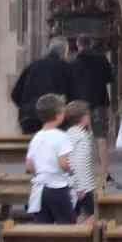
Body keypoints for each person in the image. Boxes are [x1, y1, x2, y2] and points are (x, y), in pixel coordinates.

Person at [70, 35, 114, 181]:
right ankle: (105, 173)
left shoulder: (74, 62)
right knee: (101, 138)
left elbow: (71, 84)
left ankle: (81, 172)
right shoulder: (101, 59)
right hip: (99, 102)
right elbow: (110, 78)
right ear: (90, 44)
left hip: (81, 105)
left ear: (78, 45)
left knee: (80, 138)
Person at [25, 94, 74, 223]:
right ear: (58, 115)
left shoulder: (36, 137)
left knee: (43, 228)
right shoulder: (62, 136)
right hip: (58, 188)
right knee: (67, 226)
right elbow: (63, 164)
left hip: (39, 190)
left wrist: (42, 170)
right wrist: (72, 170)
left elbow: (29, 166)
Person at [11, 38, 73, 134]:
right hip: (54, 119)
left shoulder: (32, 66)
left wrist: (27, 107)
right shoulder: (66, 68)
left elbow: (15, 94)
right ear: (65, 52)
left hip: (29, 118)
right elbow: (73, 97)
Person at [63, 100, 97, 220]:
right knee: (93, 217)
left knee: (73, 216)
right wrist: (80, 187)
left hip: (71, 183)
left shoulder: (69, 133)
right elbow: (79, 163)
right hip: (83, 186)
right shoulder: (82, 137)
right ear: (84, 118)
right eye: (88, 114)